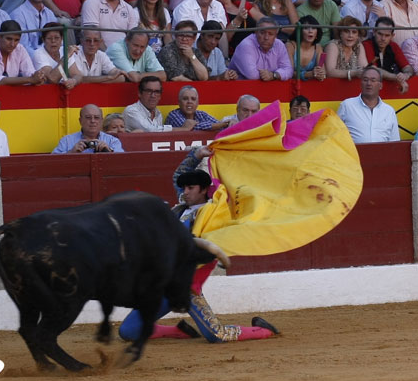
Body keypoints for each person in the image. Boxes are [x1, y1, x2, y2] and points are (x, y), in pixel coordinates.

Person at [118, 146, 279, 343]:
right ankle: (180, 331)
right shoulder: (183, 206)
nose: (185, 192)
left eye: (190, 188)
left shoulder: (213, 212)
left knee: (216, 334)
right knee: (129, 331)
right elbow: (179, 174)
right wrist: (196, 155)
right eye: (184, 188)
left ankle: (264, 330)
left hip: (186, 283)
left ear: (203, 190)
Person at [337, 66, 400, 143]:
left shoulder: (389, 111)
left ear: (380, 86)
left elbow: (395, 142)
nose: (369, 83)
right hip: (353, 154)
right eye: (365, 80)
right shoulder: (347, 106)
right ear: (360, 84)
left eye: (373, 80)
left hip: (382, 154)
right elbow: (336, 137)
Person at [0, 20, 45, 86]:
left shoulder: (20, 49)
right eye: (9, 39)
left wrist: (38, 76)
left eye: (16, 40)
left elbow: (29, 72)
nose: (12, 44)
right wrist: (30, 79)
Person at [228, 17, 293, 81]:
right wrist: (269, 75)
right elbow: (252, 75)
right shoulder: (246, 45)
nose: (266, 37)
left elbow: (289, 70)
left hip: (268, 88)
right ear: (256, 32)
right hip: (241, 88)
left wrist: (274, 75)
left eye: (270, 34)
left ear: (276, 36)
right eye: (262, 33)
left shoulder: (279, 45)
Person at [123, 75, 195, 132]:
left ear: (160, 96)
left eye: (156, 92)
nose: (153, 95)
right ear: (139, 93)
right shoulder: (131, 111)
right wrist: (183, 129)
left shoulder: (158, 114)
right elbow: (150, 131)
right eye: (149, 91)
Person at [363, 17, 413, 93]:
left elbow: (407, 67)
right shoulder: (366, 45)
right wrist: (397, 78)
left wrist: (405, 75)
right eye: (380, 34)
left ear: (392, 36)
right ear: (374, 32)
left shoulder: (394, 46)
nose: (383, 38)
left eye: (387, 35)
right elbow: (374, 70)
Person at [52, 104, 124, 154]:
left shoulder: (112, 141)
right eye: (88, 117)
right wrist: (71, 152)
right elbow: (52, 162)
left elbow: (122, 162)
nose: (93, 121)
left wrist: (109, 151)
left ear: (102, 121)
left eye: (96, 117)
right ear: (80, 121)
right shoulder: (66, 141)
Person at [32, 22, 82, 89]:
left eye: (57, 38)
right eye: (49, 38)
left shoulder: (64, 50)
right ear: (43, 40)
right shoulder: (38, 53)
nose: (53, 41)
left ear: (61, 39)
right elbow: (52, 79)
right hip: (45, 92)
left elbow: (78, 75)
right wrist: (66, 57)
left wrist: (73, 81)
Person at [325, 16, 367, 80]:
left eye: (354, 32)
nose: (350, 35)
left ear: (358, 35)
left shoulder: (359, 46)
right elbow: (330, 72)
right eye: (346, 31)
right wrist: (353, 73)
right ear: (340, 33)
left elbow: (364, 68)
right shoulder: (333, 46)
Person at [285, 15, 326, 81]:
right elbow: (289, 73)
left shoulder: (318, 47)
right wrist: (308, 74)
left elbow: (322, 71)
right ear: (300, 31)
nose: (310, 31)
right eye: (306, 28)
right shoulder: (290, 46)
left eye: (313, 28)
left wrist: (321, 74)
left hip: (311, 87)